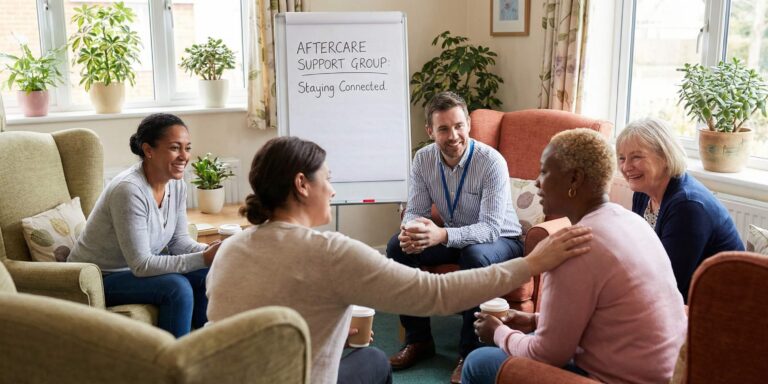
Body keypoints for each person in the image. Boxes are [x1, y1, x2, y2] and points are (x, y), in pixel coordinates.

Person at [205, 136, 593, 384]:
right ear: (302, 184)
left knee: (364, 355)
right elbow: (436, 294)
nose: (334, 188)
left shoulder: (230, 249)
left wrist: (337, 332)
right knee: (373, 361)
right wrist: (531, 264)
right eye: (328, 178)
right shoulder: (330, 254)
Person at [462, 128, 687, 384]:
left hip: (620, 378)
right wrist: (534, 321)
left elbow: (547, 355)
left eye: (545, 171)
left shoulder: (573, 247)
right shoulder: (632, 221)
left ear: (574, 179)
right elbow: (607, 318)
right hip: (665, 374)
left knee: (479, 362)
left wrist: (499, 332)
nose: (537, 181)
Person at [386, 91, 524, 381]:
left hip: (501, 241)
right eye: (444, 128)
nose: (453, 135)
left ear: (469, 125)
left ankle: (469, 351)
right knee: (397, 248)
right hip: (452, 236)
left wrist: (440, 235)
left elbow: (490, 228)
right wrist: (411, 230)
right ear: (430, 131)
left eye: (459, 125)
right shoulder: (423, 160)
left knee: (475, 255)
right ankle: (418, 339)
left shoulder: (491, 162)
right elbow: (416, 210)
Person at [69, 113, 220, 338]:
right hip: (99, 277)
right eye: (175, 148)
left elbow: (178, 241)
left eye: (187, 148)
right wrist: (203, 258)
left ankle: (205, 347)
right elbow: (141, 264)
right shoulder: (128, 190)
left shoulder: (176, 183)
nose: (184, 156)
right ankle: (172, 365)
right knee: (176, 288)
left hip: (132, 271)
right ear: (148, 150)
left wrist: (211, 253)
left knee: (208, 271)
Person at [616, 118, 744, 301]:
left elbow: (669, 284)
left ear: (665, 157)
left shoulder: (687, 206)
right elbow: (638, 252)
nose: (626, 167)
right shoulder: (643, 192)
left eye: (636, 157)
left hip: (720, 306)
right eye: (622, 158)